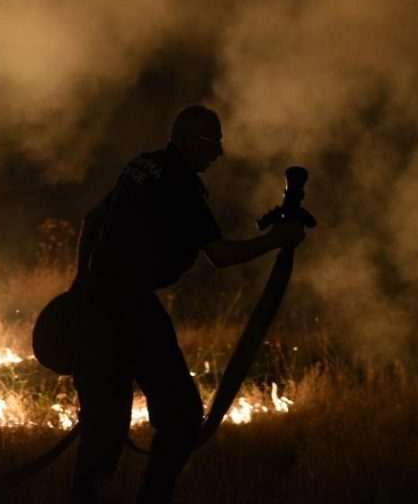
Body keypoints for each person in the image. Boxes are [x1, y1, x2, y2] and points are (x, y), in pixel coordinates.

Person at [69, 104, 305, 503]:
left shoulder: (141, 166)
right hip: (131, 309)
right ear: (189, 141)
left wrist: (79, 287)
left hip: (96, 302)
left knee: (103, 426)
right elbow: (222, 255)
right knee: (182, 418)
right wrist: (278, 239)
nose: (218, 153)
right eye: (212, 143)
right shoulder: (181, 186)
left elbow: (93, 219)